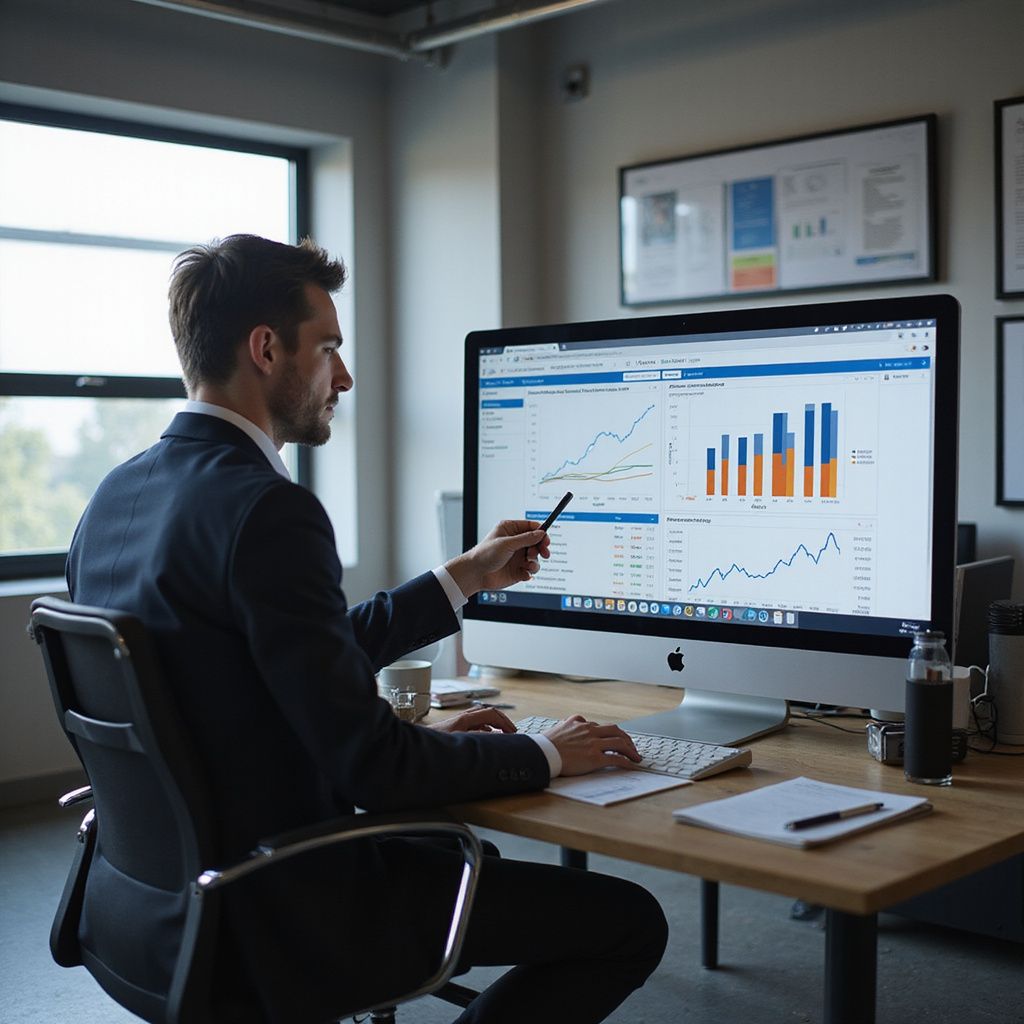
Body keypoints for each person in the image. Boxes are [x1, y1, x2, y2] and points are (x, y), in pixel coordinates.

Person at [66, 234, 668, 1023]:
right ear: (266, 349)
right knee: (628, 922)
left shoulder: (114, 497)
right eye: (329, 349)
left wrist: (465, 577)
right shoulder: (266, 509)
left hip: (153, 902)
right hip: (281, 907)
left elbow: (265, 660)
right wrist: (547, 752)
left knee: (462, 860)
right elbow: (373, 769)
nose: (343, 377)